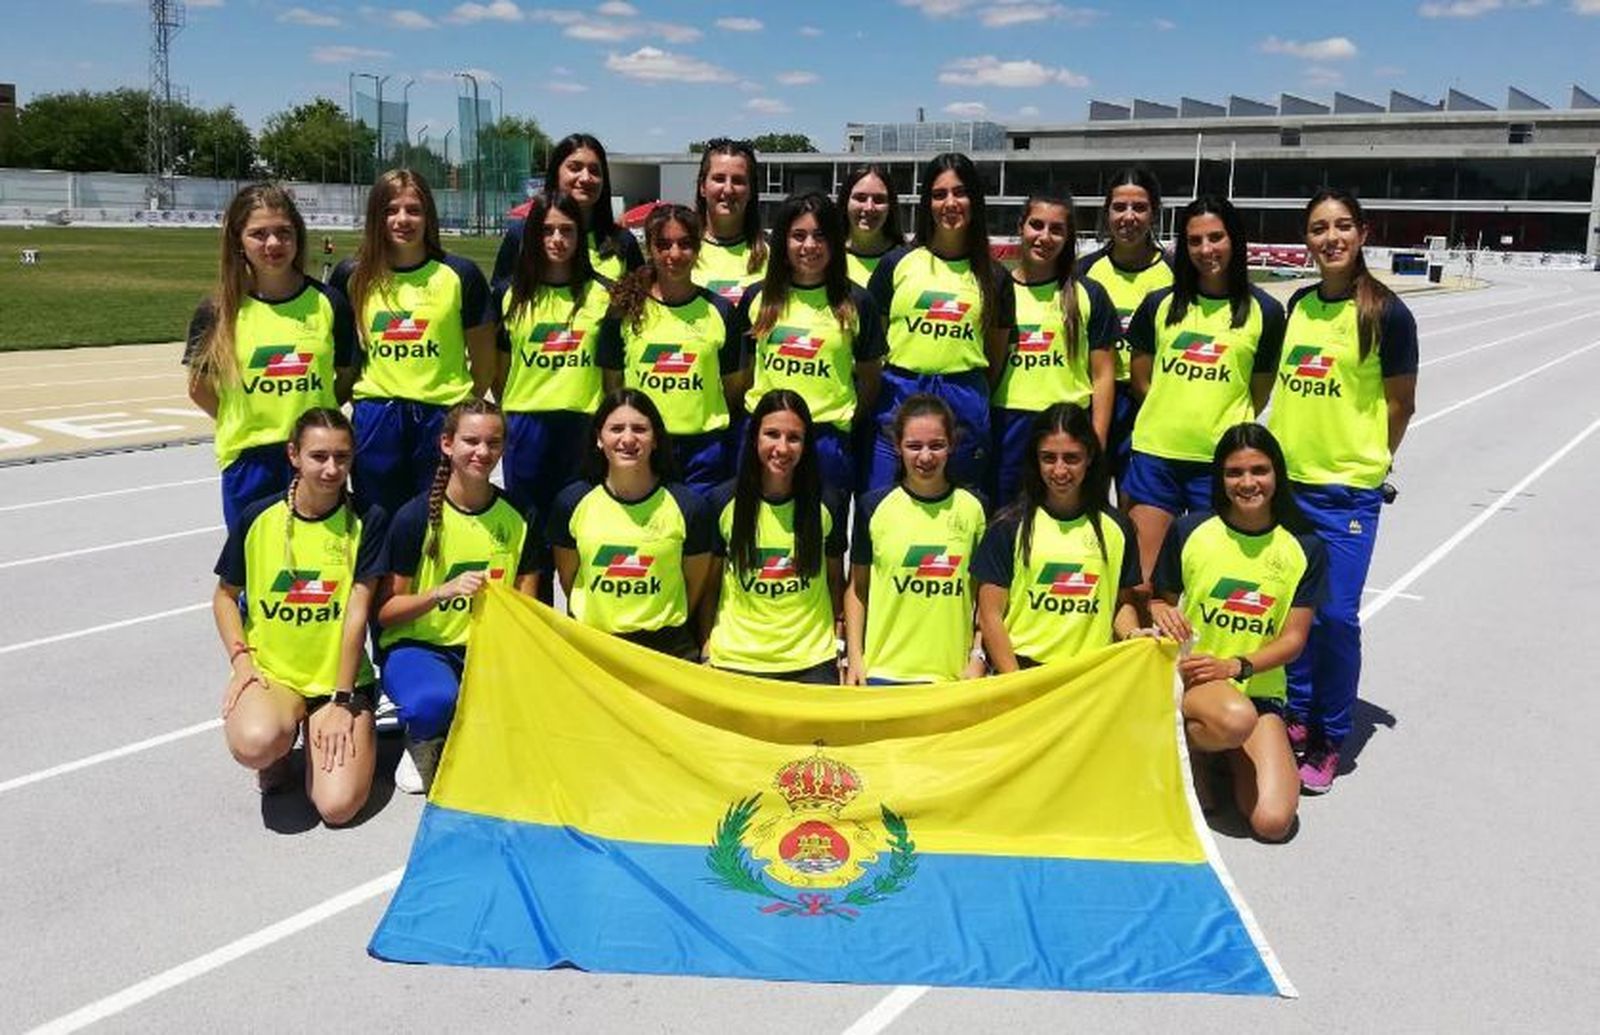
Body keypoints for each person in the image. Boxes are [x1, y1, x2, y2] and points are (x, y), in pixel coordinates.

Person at [1267, 188, 1418, 793]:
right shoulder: (1300, 305)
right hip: (1289, 485)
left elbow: (1401, 405)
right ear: (1306, 238)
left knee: (1334, 616)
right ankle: (1296, 719)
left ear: (1362, 234)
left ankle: (1331, 734)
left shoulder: (1387, 314)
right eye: (1318, 228)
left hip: (1346, 493)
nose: (1330, 238)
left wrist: (1364, 463)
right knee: (1291, 610)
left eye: (1342, 227)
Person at [1149, 423, 1326, 842]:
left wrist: (1236, 665)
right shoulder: (1191, 531)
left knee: (1271, 823)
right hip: (1197, 680)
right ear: (1220, 479)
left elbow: (1293, 640)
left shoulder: (1304, 547)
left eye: (1259, 470)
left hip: (1255, 690)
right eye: (1234, 473)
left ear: (1277, 475)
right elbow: (1158, 598)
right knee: (1233, 719)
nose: (1248, 483)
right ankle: (1195, 749)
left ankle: (1221, 753)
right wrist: (1159, 608)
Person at [210, 408, 385, 824]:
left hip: (337, 684)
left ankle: (337, 729)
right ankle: (279, 751)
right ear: (293, 455)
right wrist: (242, 664)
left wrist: (342, 701)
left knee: (337, 808)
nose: (330, 468)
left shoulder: (367, 521)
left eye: (341, 457)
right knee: (256, 742)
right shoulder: (258, 517)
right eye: (318, 456)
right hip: (276, 677)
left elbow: (357, 617)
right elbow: (223, 597)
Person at [376, 399, 543, 793]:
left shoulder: (520, 514)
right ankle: (422, 737)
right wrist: (441, 592)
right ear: (447, 444)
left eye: (493, 442)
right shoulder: (415, 518)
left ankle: (467, 729)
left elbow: (527, 604)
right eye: (471, 441)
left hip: (487, 649)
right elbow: (386, 612)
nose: (482, 452)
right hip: (422, 647)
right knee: (433, 702)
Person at [1124, 195, 1285, 600]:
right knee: (1142, 585)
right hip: (1156, 456)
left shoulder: (1265, 311)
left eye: (1216, 237)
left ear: (1235, 240)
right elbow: (1141, 380)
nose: (1206, 249)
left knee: (1201, 585)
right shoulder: (1160, 304)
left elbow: (1258, 390)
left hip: (1218, 466)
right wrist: (1173, 409)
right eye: (1195, 241)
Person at [185, 184, 356, 531]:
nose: (273, 244)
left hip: (316, 458)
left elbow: (348, 374)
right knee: (256, 570)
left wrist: (314, 415)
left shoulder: (329, 302)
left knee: (320, 566)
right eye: (258, 234)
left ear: (297, 236)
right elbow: (199, 388)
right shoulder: (218, 310)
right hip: (250, 463)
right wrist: (245, 417)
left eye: (283, 232)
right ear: (238, 241)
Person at [331, 169, 493, 516]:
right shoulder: (353, 275)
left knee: (439, 523)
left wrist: (458, 412)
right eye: (391, 210)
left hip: (440, 417)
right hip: (377, 417)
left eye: (413, 209)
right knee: (378, 521)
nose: (402, 219)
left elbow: (483, 364)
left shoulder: (460, 274)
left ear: (428, 216)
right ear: (376, 216)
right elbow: (343, 357)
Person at [865, 152, 1014, 491]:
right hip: (899, 396)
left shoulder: (994, 277)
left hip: (964, 401)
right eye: (938, 194)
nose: (950, 202)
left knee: (961, 508)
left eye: (960, 192)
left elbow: (994, 360)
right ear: (926, 203)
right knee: (882, 502)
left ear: (975, 199)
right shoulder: (896, 264)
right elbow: (872, 345)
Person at [547, 388, 714, 660]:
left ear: (656, 439)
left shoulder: (690, 507)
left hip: (668, 651)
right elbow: (570, 579)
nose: (628, 438)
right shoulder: (571, 503)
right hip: (593, 648)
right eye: (616, 429)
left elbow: (692, 587)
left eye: (639, 429)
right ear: (599, 439)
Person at [973, 403, 1142, 671]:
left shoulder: (1118, 527)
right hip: (1022, 673)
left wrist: (1133, 635)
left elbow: (1120, 604)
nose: (1060, 470)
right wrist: (1017, 683)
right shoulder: (1008, 526)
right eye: (1049, 458)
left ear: (1089, 457)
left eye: (1071, 458)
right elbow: (989, 616)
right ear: (1035, 460)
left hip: (1088, 676)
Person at [738, 192, 885, 495]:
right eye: (798, 236)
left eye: (820, 236)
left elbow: (871, 382)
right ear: (782, 241)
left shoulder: (857, 301)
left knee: (823, 535)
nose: (809, 246)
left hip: (827, 442)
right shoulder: (757, 298)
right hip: (766, 438)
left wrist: (841, 421)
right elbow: (743, 375)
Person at [598, 204, 745, 498]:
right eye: (663, 244)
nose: (674, 254)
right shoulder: (625, 310)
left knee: (700, 537)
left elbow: (734, 387)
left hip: (704, 452)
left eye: (685, 244)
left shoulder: (721, 311)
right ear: (649, 248)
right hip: (642, 447)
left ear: (698, 247)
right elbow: (612, 385)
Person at [704, 390, 848, 683]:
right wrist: (707, 647)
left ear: (806, 445)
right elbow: (710, 587)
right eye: (772, 434)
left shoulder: (829, 502)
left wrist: (839, 645)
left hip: (812, 660)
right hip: (736, 658)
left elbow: (835, 581)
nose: (782, 448)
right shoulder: (721, 501)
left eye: (793, 438)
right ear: (755, 437)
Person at [845, 393, 987, 685]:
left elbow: (986, 599)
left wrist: (977, 657)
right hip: (884, 673)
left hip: (952, 678)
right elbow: (858, 590)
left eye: (936, 445)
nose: (925, 456)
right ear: (897, 447)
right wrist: (855, 659)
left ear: (952, 445)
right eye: (914, 446)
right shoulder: (872, 507)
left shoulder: (975, 508)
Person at [990, 194, 1119, 506]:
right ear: (1020, 227)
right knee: (1006, 523)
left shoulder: (1088, 294)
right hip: (1007, 423)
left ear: (1068, 237)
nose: (1044, 237)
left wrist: (1096, 442)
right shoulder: (996, 289)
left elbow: (1103, 376)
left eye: (1057, 229)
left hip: (1069, 427)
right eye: (1036, 225)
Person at [493, 192, 612, 522]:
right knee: (528, 530)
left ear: (579, 235)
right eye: (547, 230)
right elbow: (500, 370)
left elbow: (612, 374)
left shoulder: (604, 294)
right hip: (525, 424)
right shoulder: (509, 294)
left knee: (580, 529)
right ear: (532, 234)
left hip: (583, 426)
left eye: (567, 230)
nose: (557, 239)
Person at [1076, 167, 1173, 488]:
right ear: (1107, 213)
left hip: (1150, 405)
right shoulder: (1085, 272)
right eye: (1119, 207)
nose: (1128, 217)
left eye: (1139, 207)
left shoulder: (1178, 273)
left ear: (1154, 214)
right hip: (1098, 403)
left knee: (1139, 518)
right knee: (1091, 509)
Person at [490, 132, 644, 288]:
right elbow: (501, 299)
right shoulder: (522, 235)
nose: (585, 178)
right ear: (555, 173)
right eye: (575, 168)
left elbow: (640, 303)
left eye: (594, 171)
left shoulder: (623, 242)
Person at [693, 137, 767, 307]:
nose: (728, 189)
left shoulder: (776, 253)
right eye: (719, 179)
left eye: (738, 181)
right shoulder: (680, 249)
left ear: (751, 190)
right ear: (702, 187)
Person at [838, 164, 907, 289]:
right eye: (860, 198)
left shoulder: (908, 260)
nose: (869, 207)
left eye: (879, 199)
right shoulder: (827, 258)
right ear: (845, 202)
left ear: (891, 207)